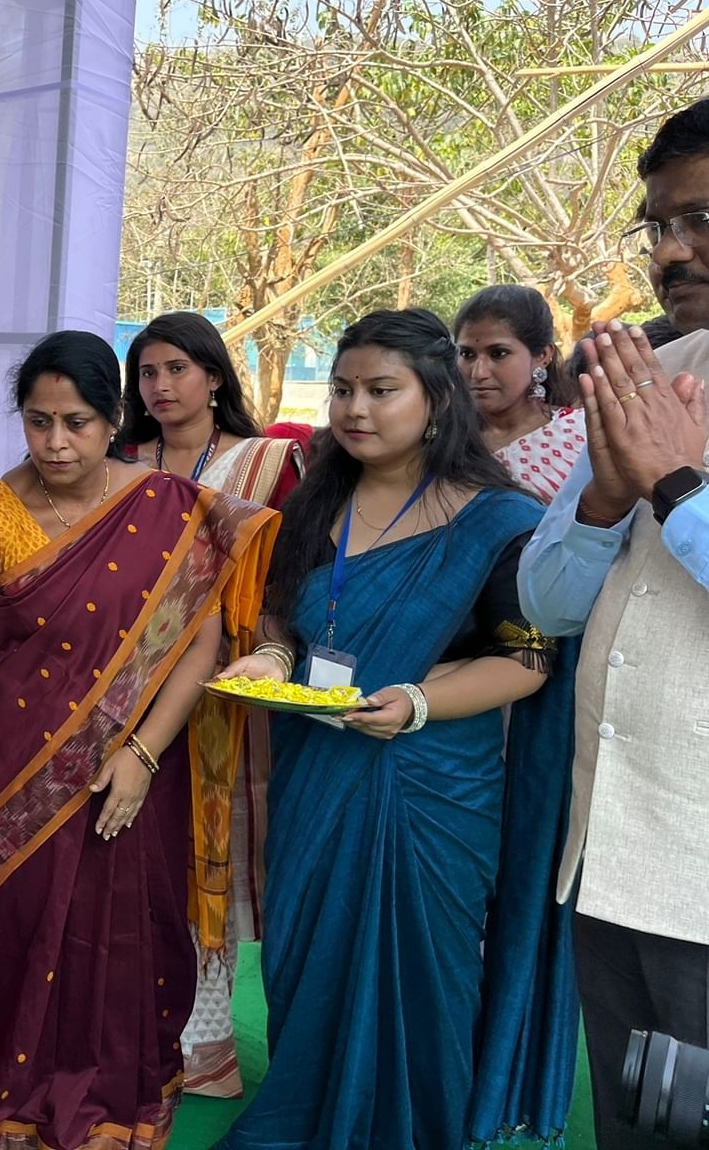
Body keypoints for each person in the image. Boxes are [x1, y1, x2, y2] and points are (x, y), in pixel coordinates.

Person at [0, 330, 278, 1150]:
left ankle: (118, 1093)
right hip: (16, 748)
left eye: (76, 422)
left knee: (131, 919)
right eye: (38, 420)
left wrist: (143, 755)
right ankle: (9, 1084)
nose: (55, 442)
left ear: (111, 418)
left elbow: (198, 645)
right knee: (19, 912)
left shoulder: (166, 506)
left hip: (142, 753)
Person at [214, 308, 576, 1150]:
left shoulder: (497, 519)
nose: (355, 409)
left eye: (382, 390)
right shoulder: (316, 498)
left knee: (422, 973)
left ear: (438, 400)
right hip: (314, 771)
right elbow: (281, 618)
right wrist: (270, 659)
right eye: (343, 390)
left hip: (432, 785)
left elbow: (527, 661)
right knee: (306, 960)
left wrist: (417, 704)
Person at [518, 101, 709, 1150]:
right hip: (613, 853)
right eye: (656, 225)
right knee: (640, 1128)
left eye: (699, 218)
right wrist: (599, 502)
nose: (670, 251)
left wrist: (677, 485)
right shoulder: (654, 371)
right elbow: (545, 604)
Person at [121, 311, 304, 1097]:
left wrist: (268, 654)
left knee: (209, 855)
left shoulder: (266, 466)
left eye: (177, 370)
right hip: (126, 686)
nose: (161, 387)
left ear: (215, 376)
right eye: (147, 373)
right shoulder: (120, 459)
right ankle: (135, 1029)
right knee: (136, 854)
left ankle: (207, 1050)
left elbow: (290, 575)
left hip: (231, 690)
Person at [455, 284, 587, 502]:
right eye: (467, 354)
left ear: (543, 355)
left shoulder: (582, 434)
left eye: (498, 353)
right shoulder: (442, 441)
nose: (478, 373)